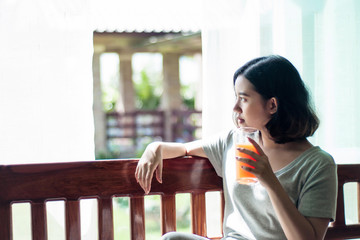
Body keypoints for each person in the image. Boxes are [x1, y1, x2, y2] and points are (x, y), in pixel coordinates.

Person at [135, 55, 337, 240]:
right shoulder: (235, 140)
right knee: (171, 239)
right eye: (236, 98)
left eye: (244, 99)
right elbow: (185, 149)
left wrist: (269, 180)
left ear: (272, 105)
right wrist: (155, 148)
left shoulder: (318, 164)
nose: (235, 107)